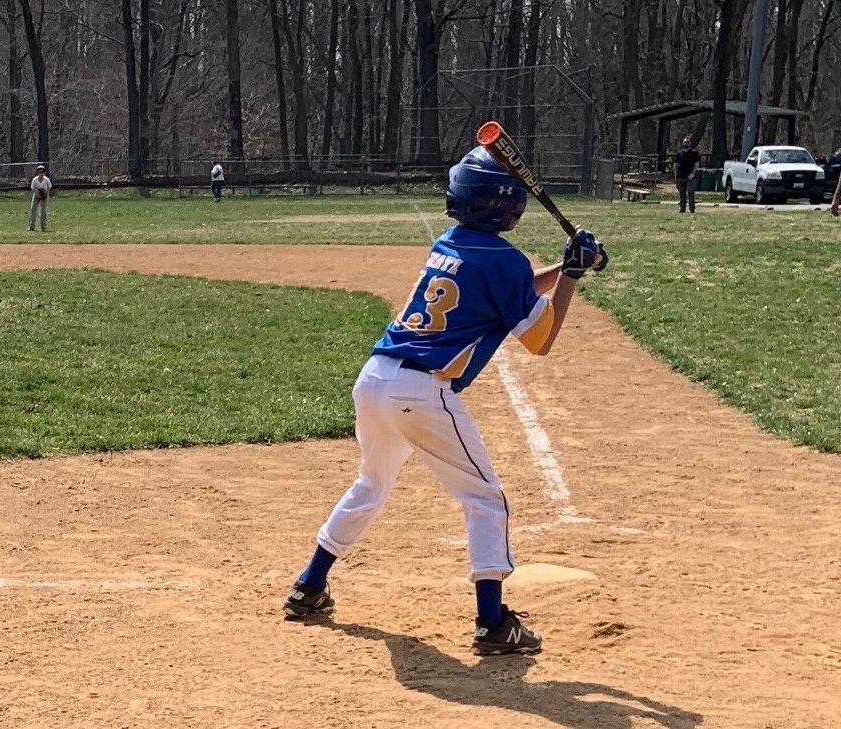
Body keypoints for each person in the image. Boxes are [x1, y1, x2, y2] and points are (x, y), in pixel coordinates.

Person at [282, 144, 608, 656]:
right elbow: (540, 339)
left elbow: (512, 289)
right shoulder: (504, 260)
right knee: (485, 498)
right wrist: (571, 275)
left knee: (371, 482)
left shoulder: (449, 243)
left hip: (375, 379)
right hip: (422, 393)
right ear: (508, 207)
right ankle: (493, 620)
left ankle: (308, 587)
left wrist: (567, 267)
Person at [674, 136, 701, 213]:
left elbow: (697, 164)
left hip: (690, 177)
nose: (686, 143)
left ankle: (692, 208)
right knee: (682, 194)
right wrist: (675, 175)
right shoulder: (679, 153)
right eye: (685, 142)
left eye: (688, 142)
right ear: (683, 143)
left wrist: (693, 173)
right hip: (680, 176)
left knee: (690, 192)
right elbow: (675, 164)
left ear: (690, 143)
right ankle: (682, 208)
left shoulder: (694, 153)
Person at [28, 165, 51, 232]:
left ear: (44, 173)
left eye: (42, 172)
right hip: (36, 195)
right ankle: (31, 226)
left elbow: (49, 187)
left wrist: (46, 193)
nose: (41, 173)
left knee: (43, 210)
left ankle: (43, 226)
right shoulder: (35, 180)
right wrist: (37, 194)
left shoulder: (46, 180)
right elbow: (32, 188)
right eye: (39, 172)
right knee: (33, 209)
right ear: (37, 172)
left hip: (44, 195)